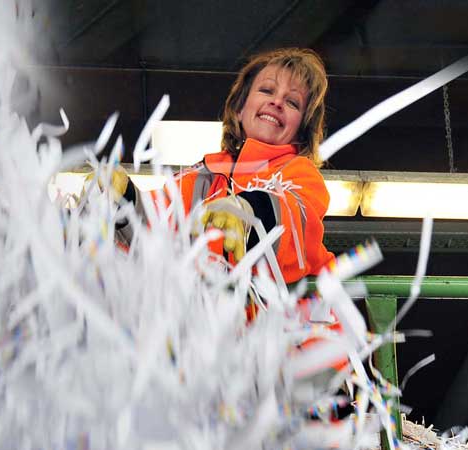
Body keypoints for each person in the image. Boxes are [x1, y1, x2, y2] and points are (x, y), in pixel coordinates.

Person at [112, 47, 336, 284]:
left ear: (302, 127)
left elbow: (296, 226)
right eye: (266, 90)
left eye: (292, 102)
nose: (277, 102)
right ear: (239, 109)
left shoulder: (302, 174)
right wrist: (123, 197)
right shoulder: (203, 176)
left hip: (285, 308)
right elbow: (153, 228)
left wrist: (249, 211)